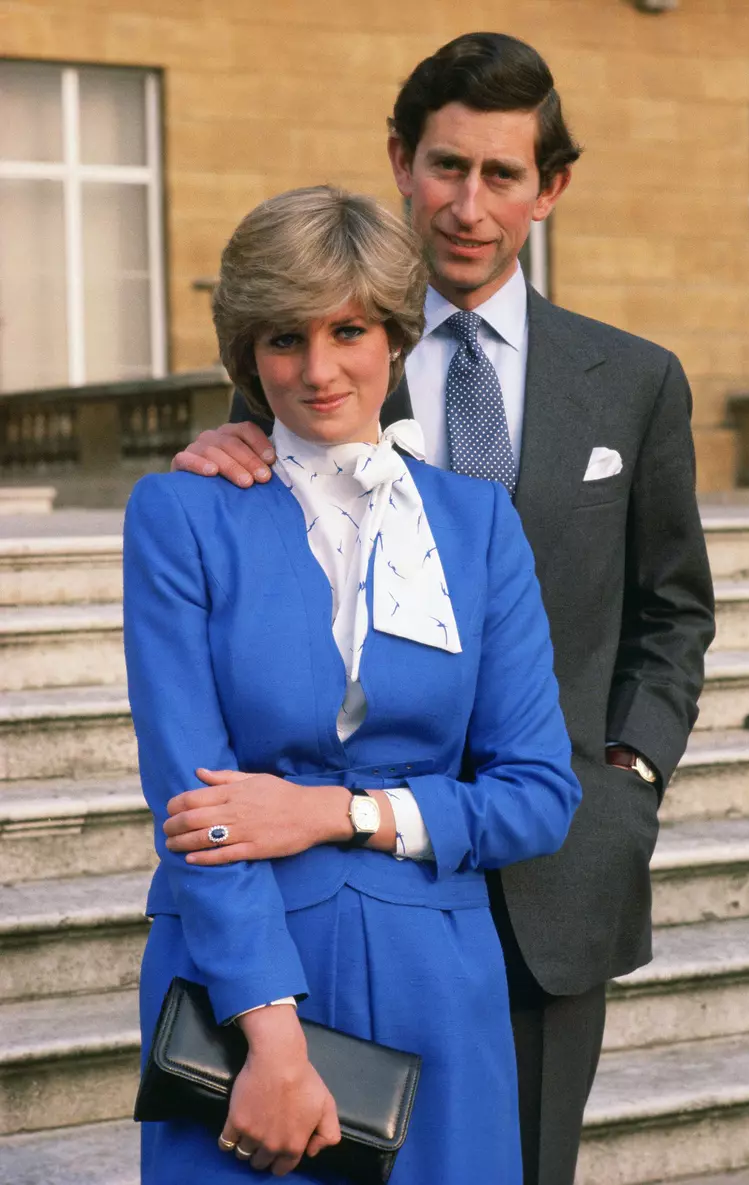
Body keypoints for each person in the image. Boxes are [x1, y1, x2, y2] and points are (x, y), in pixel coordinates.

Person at [172, 33, 716, 1185]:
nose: (468, 205)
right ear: (399, 164)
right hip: (341, 888)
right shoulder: (337, 335)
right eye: (445, 168)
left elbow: (674, 609)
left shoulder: (634, 378)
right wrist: (217, 452)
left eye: (502, 175)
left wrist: (631, 774)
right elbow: (267, 496)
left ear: (548, 190)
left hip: (552, 859)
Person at [125, 184, 581, 1185]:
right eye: (284, 338)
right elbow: (197, 805)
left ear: (395, 335)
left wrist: (339, 813)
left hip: (438, 988)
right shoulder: (181, 514)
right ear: (247, 354)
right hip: (242, 982)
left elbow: (538, 796)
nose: (318, 369)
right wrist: (274, 1046)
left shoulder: (477, 524)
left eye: (348, 330)